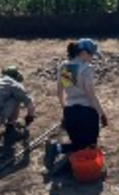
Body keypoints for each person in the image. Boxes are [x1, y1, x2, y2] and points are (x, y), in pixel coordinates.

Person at [44, 38, 108, 171]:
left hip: (70, 111)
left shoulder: (66, 66)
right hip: (87, 113)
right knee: (89, 146)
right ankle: (62, 154)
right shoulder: (86, 69)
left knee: (78, 143)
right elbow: (90, 95)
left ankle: (57, 148)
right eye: (91, 55)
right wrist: (102, 113)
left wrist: (65, 110)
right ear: (84, 53)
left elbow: (60, 92)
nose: (92, 58)